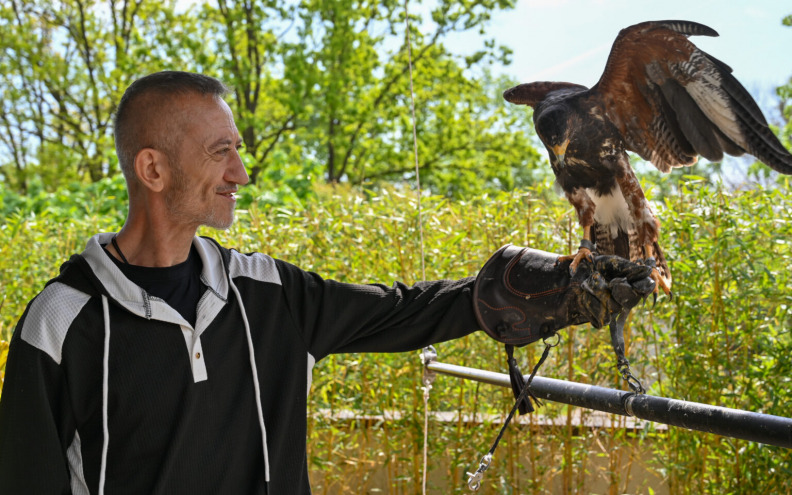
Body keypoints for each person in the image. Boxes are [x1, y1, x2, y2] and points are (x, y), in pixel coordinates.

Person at [0, 71, 652, 494]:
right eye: (220, 151)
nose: (242, 172)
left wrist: (561, 286)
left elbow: (404, 313)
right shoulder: (60, 322)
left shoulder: (268, 293)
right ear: (153, 167)